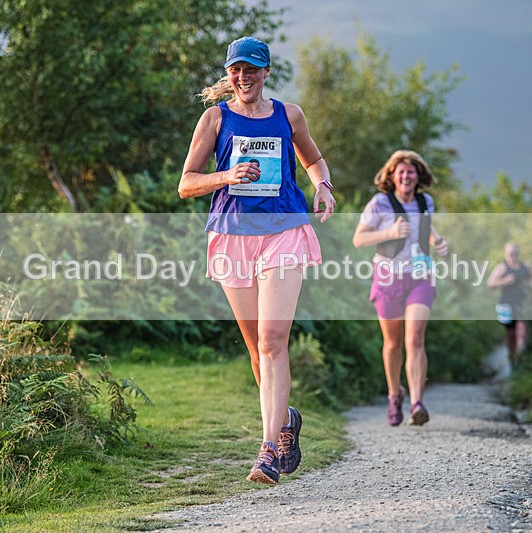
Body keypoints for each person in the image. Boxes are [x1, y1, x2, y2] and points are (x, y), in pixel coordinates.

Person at [178, 36, 336, 485]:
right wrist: (226, 175)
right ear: (228, 75)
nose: (243, 77)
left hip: (284, 231)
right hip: (232, 237)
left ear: (266, 72)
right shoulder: (214, 118)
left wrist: (323, 185)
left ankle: (267, 451)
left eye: (252, 69)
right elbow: (186, 184)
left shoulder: (289, 115)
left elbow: (314, 160)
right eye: (236, 70)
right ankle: (285, 420)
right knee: (256, 351)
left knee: (272, 341)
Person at [352, 150, 448, 427]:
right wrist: (390, 234)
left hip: (420, 275)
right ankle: (395, 395)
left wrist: (439, 242)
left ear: (419, 176)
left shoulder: (425, 202)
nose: (406, 176)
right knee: (393, 342)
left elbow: (426, 229)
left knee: (415, 338)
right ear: (392, 176)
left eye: (411, 171)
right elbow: (359, 239)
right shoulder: (380, 203)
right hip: (387, 277)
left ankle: (417, 403)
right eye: (401, 171)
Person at [487, 242, 532, 367]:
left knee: (521, 333)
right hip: (506, 306)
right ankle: (512, 360)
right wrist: (505, 281)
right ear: (506, 254)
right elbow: (490, 283)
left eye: (515, 253)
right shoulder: (502, 267)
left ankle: (521, 362)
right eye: (510, 253)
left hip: (522, 305)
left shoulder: (525, 267)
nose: (513, 256)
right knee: (510, 335)